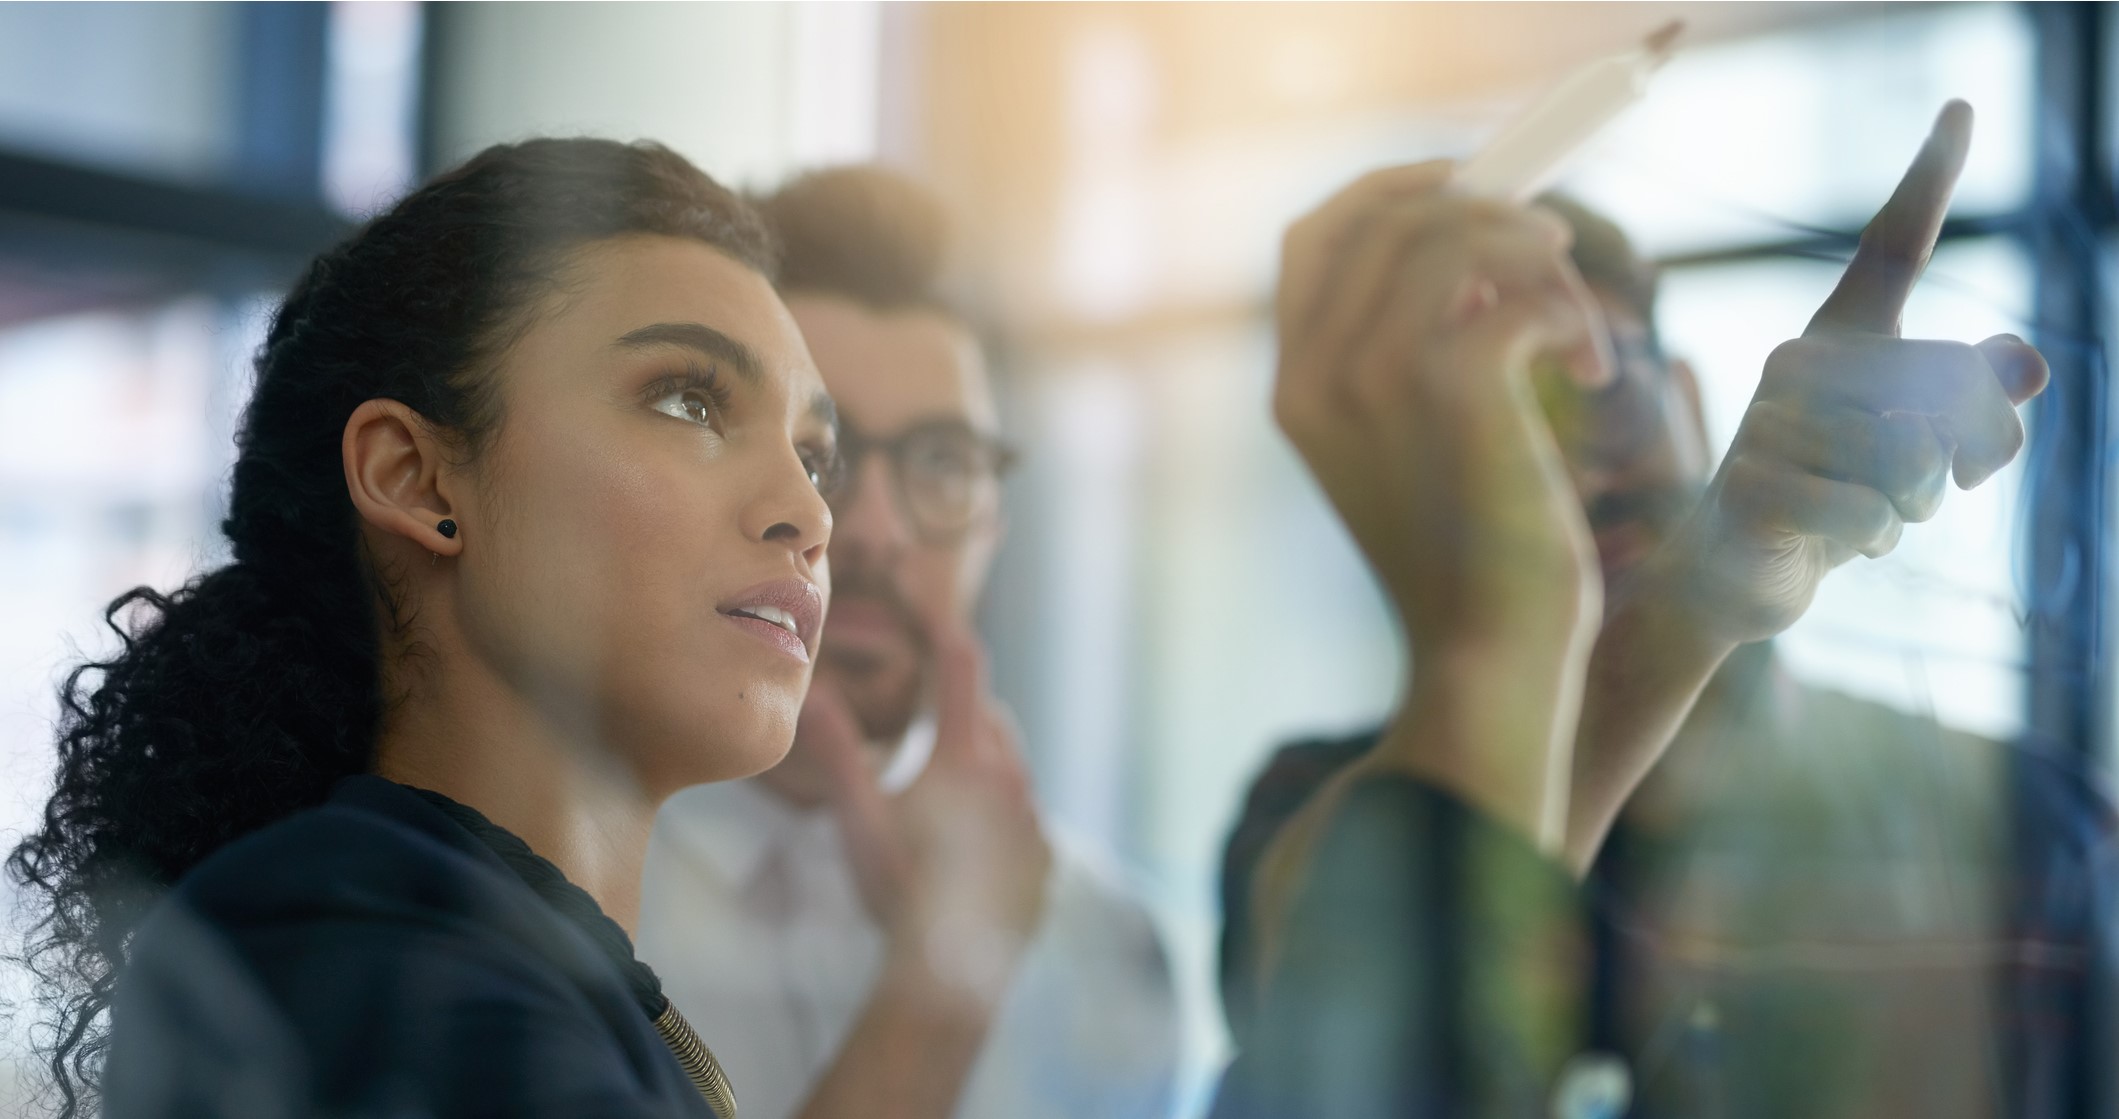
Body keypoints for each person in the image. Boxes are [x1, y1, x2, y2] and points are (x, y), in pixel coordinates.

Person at [1211, 101, 2062, 1117]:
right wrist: (1667, 614)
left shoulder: (2023, 835)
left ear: (1692, 403)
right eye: (1507, 437)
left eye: (1599, 395)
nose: (1577, 475)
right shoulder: (1323, 815)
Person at [5, 139, 842, 1118]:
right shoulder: (346, 950)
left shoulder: (475, 954)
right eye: (687, 399)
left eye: (816, 456)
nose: (809, 512)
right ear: (415, 476)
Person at [637, 167, 1180, 1119]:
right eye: (821, 454)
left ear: (994, 525)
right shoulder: (574, 922)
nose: (879, 531)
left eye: (942, 462)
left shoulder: (1106, 948)